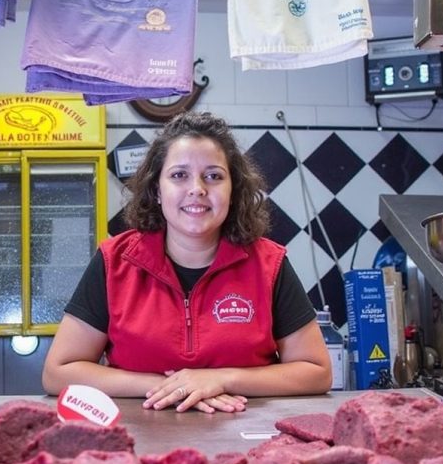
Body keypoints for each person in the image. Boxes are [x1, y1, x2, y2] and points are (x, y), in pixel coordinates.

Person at [42, 111, 332, 413]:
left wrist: (221, 379)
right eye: (179, 175)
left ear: (234, 191)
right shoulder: (113, 261)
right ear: (157, 190)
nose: (198, 188)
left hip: (249, 443)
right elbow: (58, 372)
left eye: (214, 176)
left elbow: (316, 372)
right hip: (136, 442)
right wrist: (172, 387)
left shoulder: (269, 264)